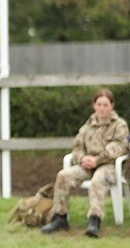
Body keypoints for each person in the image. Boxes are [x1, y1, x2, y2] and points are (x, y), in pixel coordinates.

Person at [41, 88, 130, 238]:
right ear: (94, 105)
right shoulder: (88, 125)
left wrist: (98, 159)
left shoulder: (119, 125)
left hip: (108, 166)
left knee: (97, 181)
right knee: (63, 175)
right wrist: (82, 159)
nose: (102, 108)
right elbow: (77, 146)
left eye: (106, 105)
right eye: (99, 104)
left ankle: (94, 221)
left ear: (112, 106)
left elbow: (120, 147)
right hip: (87, 165)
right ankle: (60, 218)